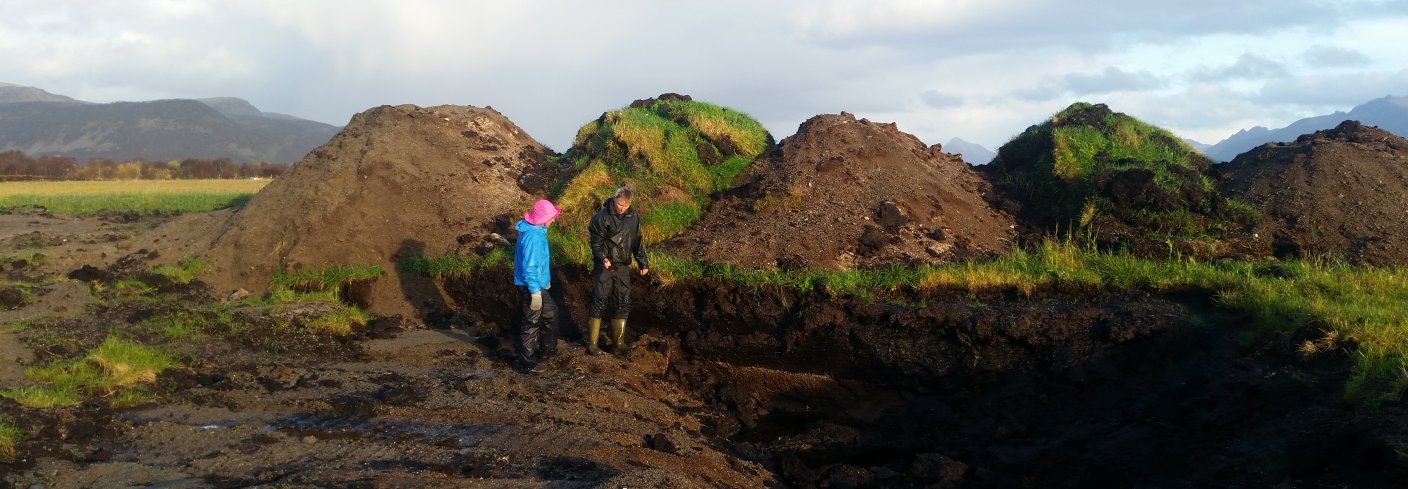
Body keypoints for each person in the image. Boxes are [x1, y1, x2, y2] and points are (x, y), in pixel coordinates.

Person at [585, 186, 650, 355]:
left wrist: (643, 262)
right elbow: (596, 243)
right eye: (619, 204)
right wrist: (603, 258)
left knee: (623, 301)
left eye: (625, 205)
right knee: (599, 300)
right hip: (605, 265)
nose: (621, 208)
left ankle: (618, 343)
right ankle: (592, 343)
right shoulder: (601, 217)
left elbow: (637, 241)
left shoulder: (633, 216)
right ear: (614, 200)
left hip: (622, 266)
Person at [512, 199, 561, 373]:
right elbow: (530, 267)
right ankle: (526, 362)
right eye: (551, 217)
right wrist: (535, 293)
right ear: (541, 218)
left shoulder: (537, 231)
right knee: (532, 321)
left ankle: (548, 350)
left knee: (551, 312)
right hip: (530, 285)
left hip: (536, 283)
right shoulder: (533, 236)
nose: (554, 220)